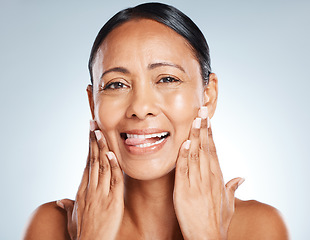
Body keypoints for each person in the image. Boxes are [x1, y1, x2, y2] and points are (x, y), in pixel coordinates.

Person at [23, 3, 289, 240]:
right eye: (116, 84)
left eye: (167, 79)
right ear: (93, 104)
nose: (140, 108)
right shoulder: (50, 226)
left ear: (208, 96)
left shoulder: (260, 228)